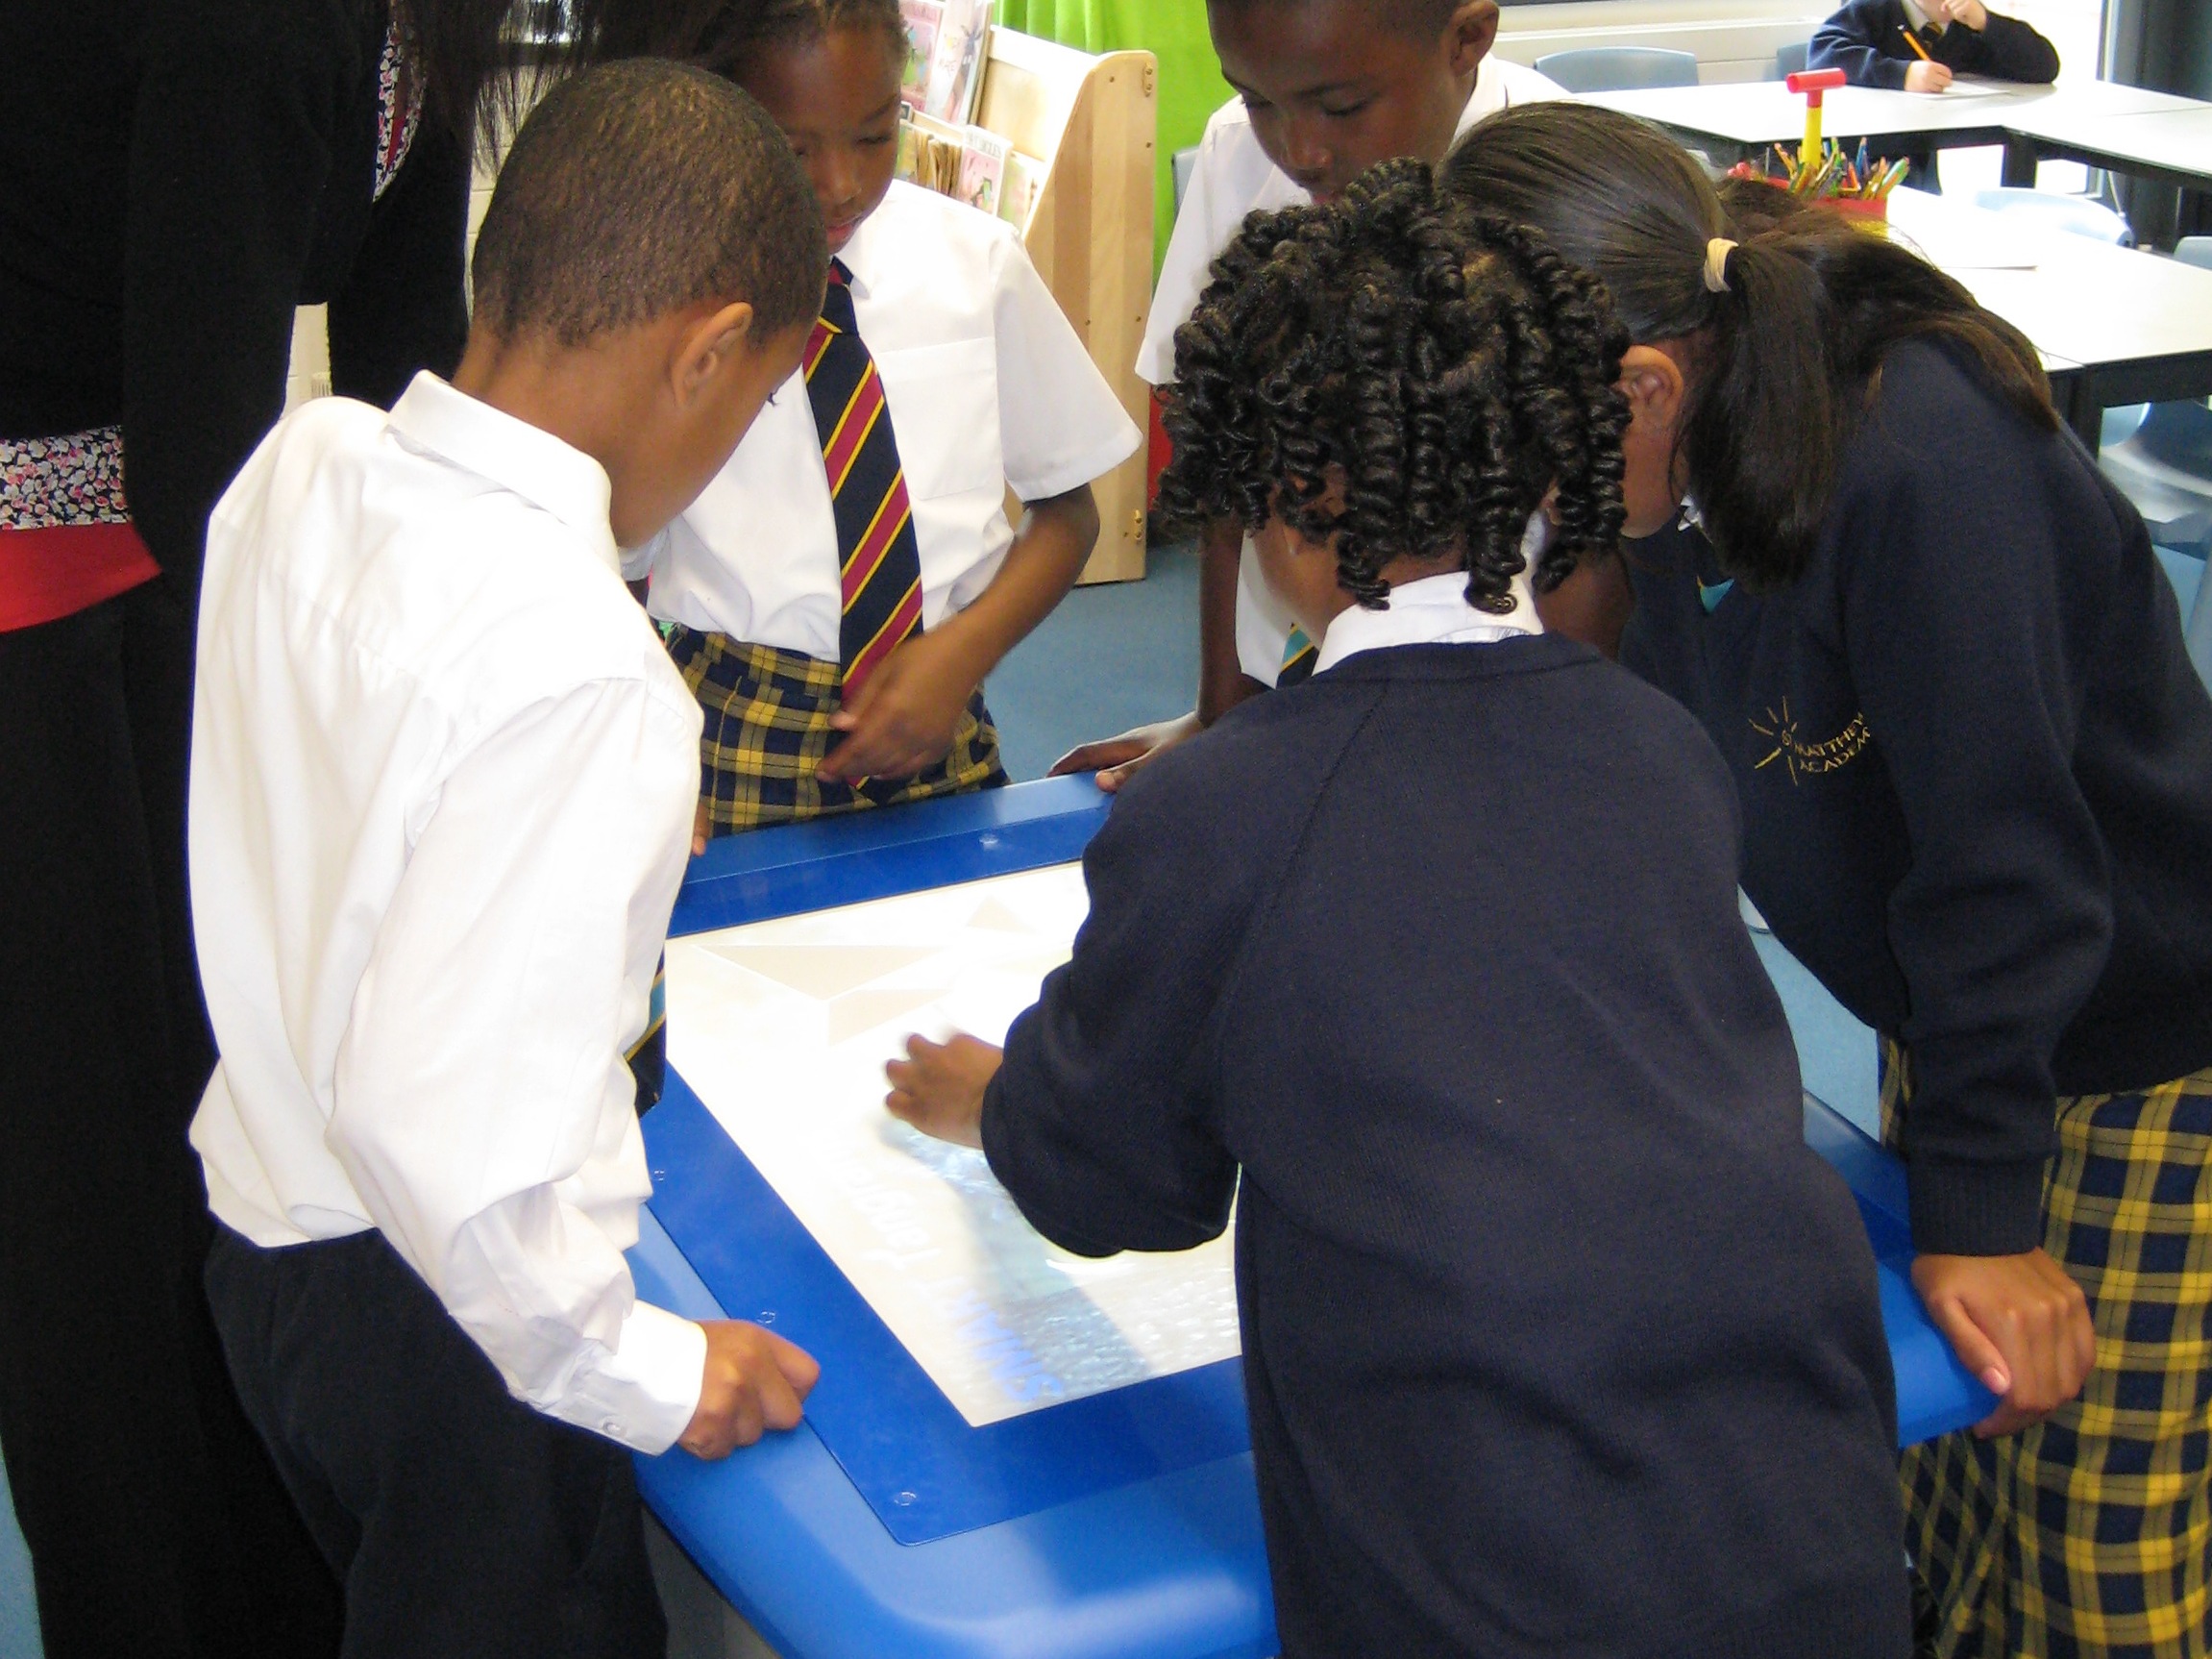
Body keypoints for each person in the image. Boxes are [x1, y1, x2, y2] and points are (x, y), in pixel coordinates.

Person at [885, 161, 1912, 1658]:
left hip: (1481, 1579)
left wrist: (1008, 1100)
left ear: (1275, 506)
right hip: (1809, 1525)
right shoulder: (1655, 749)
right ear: (1554, 474)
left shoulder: (1225, 808)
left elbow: (1119, 1183)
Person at [1444, 101, 2212, 1656]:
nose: (1523, 498)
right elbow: (1635, 752)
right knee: (1947, 1474)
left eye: (1521, 446)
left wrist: (1985, 1210)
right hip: (1970, 1017)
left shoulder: (1922, 461)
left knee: (2085, 1532)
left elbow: (2009, 868)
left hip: (2146, 1049)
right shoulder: (1677, 458)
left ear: (1643, 383)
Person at [0, 1, 645, 1650]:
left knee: (233, 1085)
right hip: (46, 615)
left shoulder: (418, 30)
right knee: (93, 1178)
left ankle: (276, 1566)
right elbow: (202, 468)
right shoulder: (248, 33)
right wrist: (390, 732)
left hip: (145, 563)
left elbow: (410, 362)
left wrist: (501, 631)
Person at [187, 62, 826, 1655]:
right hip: (450, 1344)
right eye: (753, 406)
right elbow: (444, 1141)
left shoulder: (299, 463)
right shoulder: (584, 667)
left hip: (260, 1251)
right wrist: (661, 1374)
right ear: (703, 353)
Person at [621, 0, 1140, 842]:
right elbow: (600, 561)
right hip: (732, 733)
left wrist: (964, 653)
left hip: (942, 722)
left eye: (873, 134)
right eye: (794, 150)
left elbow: (1068, 510)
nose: (841, 183)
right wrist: (641, 746)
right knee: (737, 961)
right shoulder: (663, 294)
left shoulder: (977, 266)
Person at [1051, 0, 1574, 789]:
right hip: (1305, 659)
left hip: (1510, 678)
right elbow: (1225, 447)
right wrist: (1222, 709)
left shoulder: (1558, 165)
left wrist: (1572, 710)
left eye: (1342, 106)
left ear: (1468, 38)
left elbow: (1596, 506)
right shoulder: (1236, 150)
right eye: (1257, 97)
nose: (1300, 150)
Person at [1810, 0, 2059, 95]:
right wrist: (1901, 74)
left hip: (1924, 151)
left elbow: (2044, 67)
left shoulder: (1968, 26)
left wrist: (1987, 23)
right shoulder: (1874, 9)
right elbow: (1822, 54)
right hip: (1865, 157)